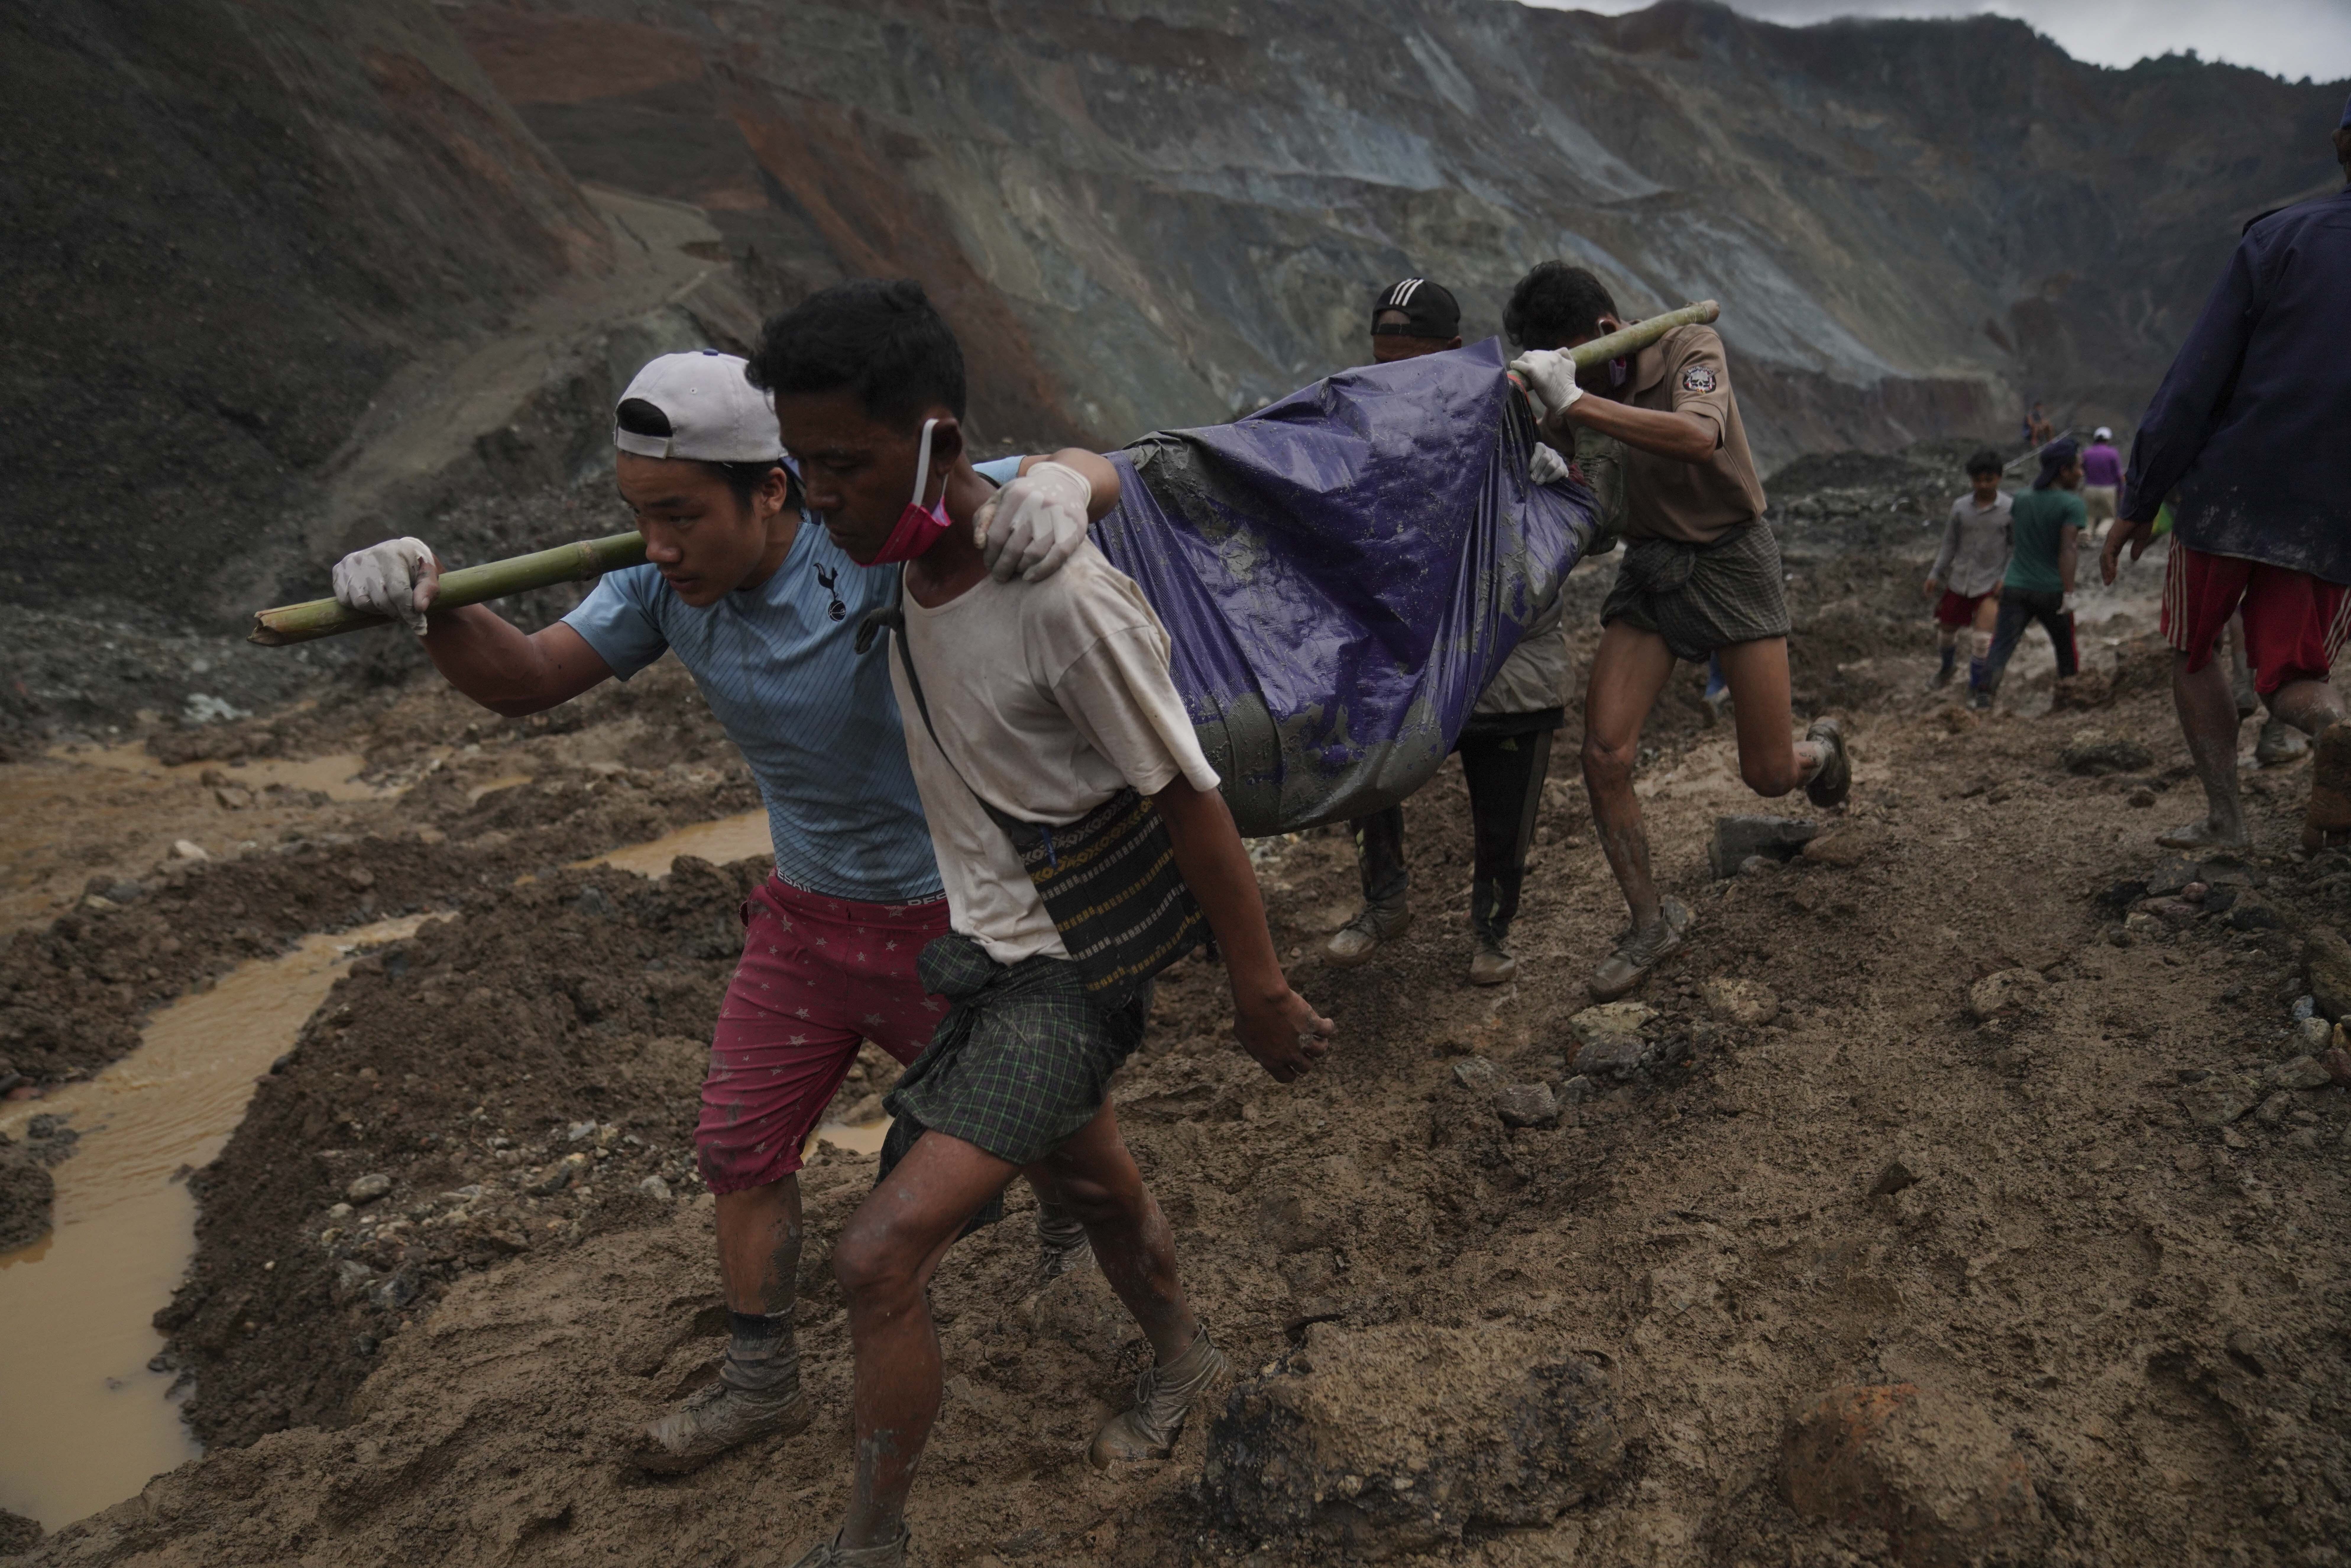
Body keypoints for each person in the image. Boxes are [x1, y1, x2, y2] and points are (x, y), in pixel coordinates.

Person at [325, 349, 1101, 1477]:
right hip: (802, 923)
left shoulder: (871, 536)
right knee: (739, 1144)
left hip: (956, 922)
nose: (656, 546)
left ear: (774, 489)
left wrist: (1064, 485)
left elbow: (1069, 467)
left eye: (681, 516)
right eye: (639, 518)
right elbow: (530, 676)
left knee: (1048, 1136)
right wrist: (428, 601)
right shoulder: (657, 590)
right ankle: (758, 1379)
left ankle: (1072, 1235)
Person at [753, 280, 1333, 1568]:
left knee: (877, 1254)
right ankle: (1185, 1356)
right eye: (803, 469)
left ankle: (869, 1544)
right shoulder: (901, 560)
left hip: (1069, 978)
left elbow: (1188, 797)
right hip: (987, 958)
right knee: (1093, 1183)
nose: (822, 497)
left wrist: (1258, 991)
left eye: (843, 466)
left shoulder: (1057, 598)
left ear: (938, 443)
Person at [1503, 263, 1848, 1002]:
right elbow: (1577, 484)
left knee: (1768, 773)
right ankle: (1650, 921)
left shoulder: (1690, 347)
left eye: (1578, 362)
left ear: (1605, 335)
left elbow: (1696, 438)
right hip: (1654, 564)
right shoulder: (1574, 392)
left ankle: (1821, 753)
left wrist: (1577, 402)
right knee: (1604, 751)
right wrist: (1542, 442)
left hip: (1732, 556)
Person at [2104, 96, 2351, 852]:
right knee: (2289, 681)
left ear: (2342, 143)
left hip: (2231, 493)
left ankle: (2228, 825)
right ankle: (2337, 729)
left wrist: (2141, 499)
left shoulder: (2280, 239)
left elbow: (2196, 380)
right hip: (2335, 514)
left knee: (2198, 649)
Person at [1324, 276, 1586, 985]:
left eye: (1411, 362)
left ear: (1451, 350)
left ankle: (1493, 928)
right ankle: (1384, 900)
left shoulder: (1519, 406)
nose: (1396, 378)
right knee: (1361, 771)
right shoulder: (1358, 415)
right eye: (1384, 362)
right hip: (1412, 644)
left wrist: (1558, 469)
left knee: (1504, 802)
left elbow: (1597, 503)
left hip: (1509, 643)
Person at [1974, 439, 2083, 704]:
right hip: (2051, 590)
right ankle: (2068, 697)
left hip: (2016, 586)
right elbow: (2068, 549)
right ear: (2064, 471)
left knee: (2001, 646)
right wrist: (2069, 592)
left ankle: (1985, 697)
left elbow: (2015, 538)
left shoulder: (2021, 498)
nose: (2082, 473)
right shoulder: (2072, 504)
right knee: (2066, 648)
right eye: (2078, 468)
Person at [1924, 449, 2011, 695]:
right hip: (1960, 580)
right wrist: (1935, 573)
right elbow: (1949, 544)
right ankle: (1947, 668)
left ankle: (1976, 688)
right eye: (1977, 480)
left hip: (1991, 583)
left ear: (1999, 478)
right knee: (1946, 633)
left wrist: (2005, 578)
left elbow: (2016, 548)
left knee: (1982, 640)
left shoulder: (2010, 509)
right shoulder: (1960, 508)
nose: (1983, 485)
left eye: (1989, 480)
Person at [2080, 426, 2123, 546]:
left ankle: (2085, 536)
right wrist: (2121, 490)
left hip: (2090, 489)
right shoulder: (2112, 454)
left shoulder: (2087, 453)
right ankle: (2101, 534)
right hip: (2108, 490)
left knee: (2089, 516)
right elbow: (2118, 475)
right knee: (2109, 517)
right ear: (2108, 439)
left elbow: (2082, 470)